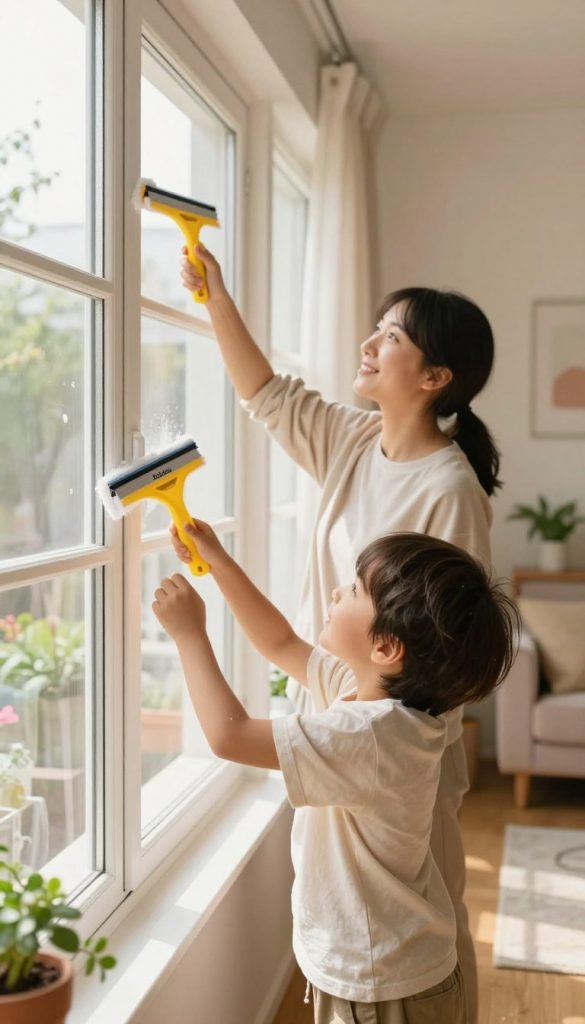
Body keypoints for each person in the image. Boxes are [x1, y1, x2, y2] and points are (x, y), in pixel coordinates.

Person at [172, 243, 502, 1023]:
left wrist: (384, 729)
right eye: (377, 327)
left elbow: (453, 641)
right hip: (350, 700)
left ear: (433, 378)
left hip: (397, 728)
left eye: (391, 337)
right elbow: (267, 395)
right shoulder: (356, 441)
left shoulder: (449, 491)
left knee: (414, 918)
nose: (370, 342)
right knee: (363, 914)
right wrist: (215, 296)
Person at [154, 522, 518, 1023]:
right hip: (390, 974)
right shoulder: (382, 699)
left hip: (382, 989)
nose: (335, 590)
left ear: (387, 647)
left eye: (353, 589)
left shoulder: (369, 737)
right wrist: (215, 559)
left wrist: (189, 635)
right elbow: (280, 642)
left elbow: (229, 735)